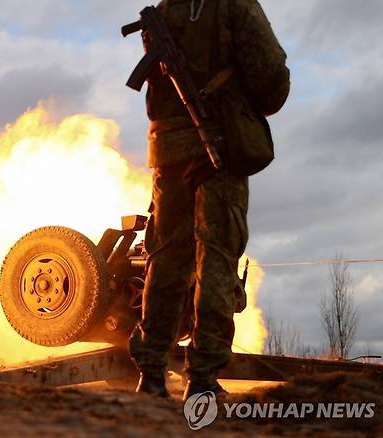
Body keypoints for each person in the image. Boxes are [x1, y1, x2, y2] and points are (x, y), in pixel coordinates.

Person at [128, 0, 290, 400]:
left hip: (168, 149)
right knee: (217, 258)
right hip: (217, 143)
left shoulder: (168, 8)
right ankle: (202, 377)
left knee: (165, 255)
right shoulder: (235, 6)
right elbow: (271, 83)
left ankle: (151, 371)